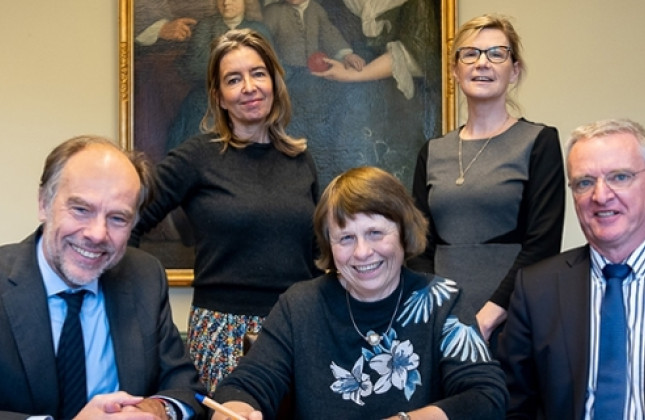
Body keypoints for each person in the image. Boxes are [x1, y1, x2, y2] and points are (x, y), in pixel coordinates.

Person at [211, 166, 508, 420]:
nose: (362, 252)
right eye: (346, 238)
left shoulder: (442, 300)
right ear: (330, 246)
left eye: (375, 233)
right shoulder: (299, 305)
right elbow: (246, 385)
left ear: (403, 233)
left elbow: (486, 397)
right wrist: (235, 408)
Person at [129, 28, 320, 394]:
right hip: (222, 334)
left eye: (258, 73)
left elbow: (315, 254)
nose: (249, 87)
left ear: (274, 82)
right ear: (219, 97)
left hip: (296, 327)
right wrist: (136, 299)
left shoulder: (300, 160)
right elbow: (128, 221)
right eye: (234, 79)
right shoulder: (196, 157)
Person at [0, 136, 206, 419]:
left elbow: (184, 386)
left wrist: (156, 409)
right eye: (81, 209)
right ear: (43, 204)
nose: (97, 234)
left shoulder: (145, 277)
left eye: (118, 218)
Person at [408, 14, 565, 351]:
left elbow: (543, 245)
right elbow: (418, 245)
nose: (483, 63)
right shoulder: (432, 151)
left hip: (516, 323)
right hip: (442, 327)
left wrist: (486, 319)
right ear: (454, 70)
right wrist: (441, 315)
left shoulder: (539, 141)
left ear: (515, 70)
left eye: (497, 53)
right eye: (471, 53)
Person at [499, 118, 645, 419]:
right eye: (584, 182)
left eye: (619, 177)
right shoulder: (537, 289)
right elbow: (514, 406)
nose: (601, 196)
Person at [166, 0, 273, 153]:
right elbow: (194, 66)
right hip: (207, 95)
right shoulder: (205, 27)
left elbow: (273, 68)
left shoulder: (258, 29)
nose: (226, 3)